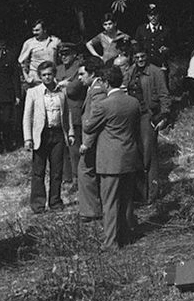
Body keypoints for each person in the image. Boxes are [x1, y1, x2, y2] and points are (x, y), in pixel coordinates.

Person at [84, 66, 143, 251]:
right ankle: (126, 235)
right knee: (126, 200)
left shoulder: (103, 105)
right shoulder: (133, 102)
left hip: (110, 160)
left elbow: (88, 127)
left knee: (109, 202)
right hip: (129, 156)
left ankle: (111, 243)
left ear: (107, 83)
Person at [23, 61, 75, 214]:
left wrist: (70, 132)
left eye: (50, 74)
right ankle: (38, 204)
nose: (47, 77)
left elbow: (67, 114)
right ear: (40, 76)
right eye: (44, 75)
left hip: (58, 133)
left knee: (57, 170)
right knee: (38, 171)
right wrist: (28, 138)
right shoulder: (33, 92)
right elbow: (27, 116)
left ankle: (55, 201)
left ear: (54, 75)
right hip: (41, 134)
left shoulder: (61, 92)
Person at [124, 46, 171, 204]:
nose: (140, 60)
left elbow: (164, 94)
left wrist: (164, 115)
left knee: (148, 153)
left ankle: (152, 193)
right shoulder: (131, 71)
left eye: (142, 57)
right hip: (132, 116)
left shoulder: (156, 72)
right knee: (135, 153)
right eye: (136, 58)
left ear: (147, 57)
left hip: (148, 115)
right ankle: (139, 193)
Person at [76, 57, 107, 224]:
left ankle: (91, 211)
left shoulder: (97, 91)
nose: (80, 78)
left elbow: (95, 118)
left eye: (82, 74)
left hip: (94, 140)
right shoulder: (92, 89)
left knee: (85, 171)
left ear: (92, 73)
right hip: (93, 140)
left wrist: (86, 143)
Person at [56, 42, 83, 188]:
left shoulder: (79, 68)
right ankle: (67, 177)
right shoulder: (58, 69)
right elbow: (53, 87)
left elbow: (74, 90)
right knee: (63, 147)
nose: (64, 57)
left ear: (74, 54)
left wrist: (65, 85)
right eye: (61, 54)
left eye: (67, 54)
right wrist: (63, 85)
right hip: (60, 111)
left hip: (75, 112)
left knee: (74, 148)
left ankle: (77, 178)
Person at [18, 19, 62, 88]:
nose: (34, 33)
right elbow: (21, 62)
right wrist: (28, 78)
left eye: (37, 30)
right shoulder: (29, 43)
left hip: (52, 80)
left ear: (45, 30)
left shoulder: (55, 41)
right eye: (33, 30)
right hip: (36, 81)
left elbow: (61, 59)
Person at [134, 4, 171, 69]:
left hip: (160, 64)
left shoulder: (165, 30)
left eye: (155, 15)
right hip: (146, 64)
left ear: (159, 15)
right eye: (151, 15)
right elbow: (137, 46)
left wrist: (166, 49)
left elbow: (172, 46)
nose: (153, 17)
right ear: (148, 16)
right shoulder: (141, 29)